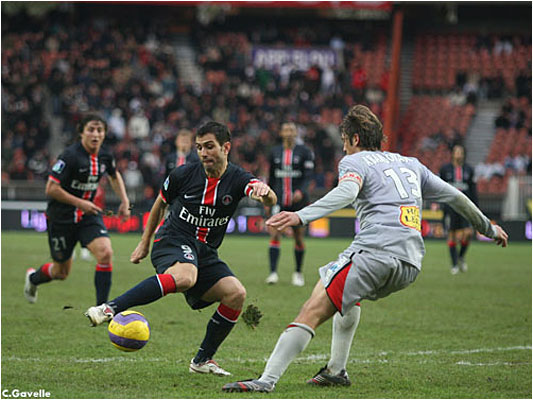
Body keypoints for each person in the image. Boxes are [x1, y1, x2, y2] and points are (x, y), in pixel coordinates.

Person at [221, 105, 508, 393]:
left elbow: (347, 192)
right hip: (410, 263)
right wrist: (488, 228)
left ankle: (265, 381)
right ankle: (335, 370)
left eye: (345, 141)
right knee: (346, 291)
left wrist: (301, 215)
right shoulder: (411, 164)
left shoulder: (354, 162)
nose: (344, 148)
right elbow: (455, 196)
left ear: (355, 139)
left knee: (312, 308)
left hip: (375, 254)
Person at [86, 121, 277, 376]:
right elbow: (159, 205)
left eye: (209, 147)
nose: (203, 153)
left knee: (236, 294)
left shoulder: (238, 178)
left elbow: (270, 198)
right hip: (172, 240)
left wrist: (265, 193)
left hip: (205, 252)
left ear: (226, 147)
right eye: (199, 148)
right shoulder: (183, 175)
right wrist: (144, 243)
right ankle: (109, 308)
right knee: (186, 276)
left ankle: (202, 360)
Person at [23, 115, 131, 305]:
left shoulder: (105, 155)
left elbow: (114, 176)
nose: (95, 134)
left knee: (105, 253)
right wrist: (81, 203)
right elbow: (51, 188)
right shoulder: (70, 156)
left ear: (105, 133)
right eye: (91, 129)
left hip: (88, 216)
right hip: (62, 218)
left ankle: (102, 308)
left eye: (100, 130)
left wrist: (124, 200)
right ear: (81, 133)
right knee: (61, 272)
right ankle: (33, 279)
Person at [266, 122, 314, 286]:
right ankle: (273, 273)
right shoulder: (274, 152)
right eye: (286, 130)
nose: (289, 133)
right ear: (281, 133)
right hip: (279, 200)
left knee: (299, 237)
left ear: (296, 133)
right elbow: (271, 177)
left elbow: (308, 176)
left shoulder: (305, 152)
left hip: (298, 201)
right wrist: (268, 198)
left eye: (292, 130)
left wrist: (301, 190)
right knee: (274, 233)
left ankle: (298, 273)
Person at [439, 144, 478, 275]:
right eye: (457, 152)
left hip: (465, 207)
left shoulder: (469, 170)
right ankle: (454, 264)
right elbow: (440, 187)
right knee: (452, 235)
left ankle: (461, 256)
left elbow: (473, 189)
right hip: (450, 206)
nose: (459, 155)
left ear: (464, 155)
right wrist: (440, 204)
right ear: (452, 154)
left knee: (468, 233)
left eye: (461, 152)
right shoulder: (445, 169)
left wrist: (476, 206)